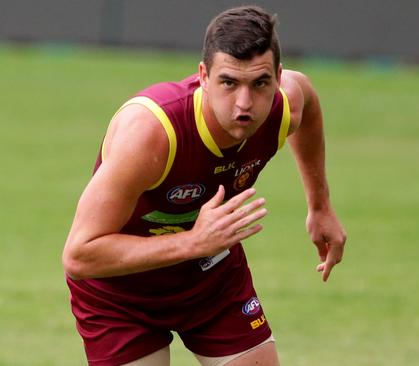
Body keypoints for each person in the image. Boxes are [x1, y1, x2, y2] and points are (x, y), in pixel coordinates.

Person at [62, 5, 347, 366]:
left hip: (211, 279)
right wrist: (194, 242)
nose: (244, 104)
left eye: (259, 83)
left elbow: (309, 104)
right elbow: (79, 255)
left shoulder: (284, 103)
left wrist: (320, 206)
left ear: (276, 76)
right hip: (120, 294)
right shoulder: (152, 133)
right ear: (203, 76)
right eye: (229, 82)